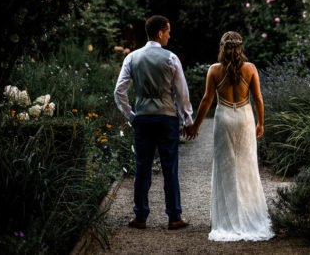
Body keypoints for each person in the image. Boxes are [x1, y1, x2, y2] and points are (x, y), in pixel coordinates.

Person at [187, 31, 274, 241]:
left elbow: (207, 100)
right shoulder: (250, 68)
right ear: (240, 47)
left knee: (225, 167)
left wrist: (195, 126)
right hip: (244, 119)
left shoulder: (214, 70)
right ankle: (250, 216)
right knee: (247, 166)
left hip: (224, 118)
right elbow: (258, 99)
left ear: (222, 47)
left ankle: (227, 220)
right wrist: (261, 122)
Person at [114, 15, 193, 230]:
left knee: (142, 168)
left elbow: (119, 91)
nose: (169, 35)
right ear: (160, 33)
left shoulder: (132, 58)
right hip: (167, 119)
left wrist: (131, 115)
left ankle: (140, 217)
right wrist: (187, 120)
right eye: (168, 31)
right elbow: (182, 93)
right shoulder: (171, 58)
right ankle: (174, 217)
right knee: (170, 168)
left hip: (143, 119)